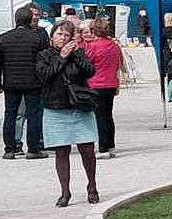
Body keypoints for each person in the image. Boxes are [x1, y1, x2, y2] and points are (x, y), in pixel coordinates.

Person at [37, 20, 99, 207]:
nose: (62, 38)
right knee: (61, 151)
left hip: (79, 107)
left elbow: (90, 71)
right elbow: (44, 75)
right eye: (59, 34)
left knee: (87, 149)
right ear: (52, 37)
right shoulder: (43, 56)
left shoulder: (78, 53)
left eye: (66, 35)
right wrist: (62, 57)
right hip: (56, 108)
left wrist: (76, 54)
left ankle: (92, 185)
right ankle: (65, 192)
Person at [0, 6, 48, 160]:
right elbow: (43, 62)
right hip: (33, 83)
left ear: (16, 20)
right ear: (30, 20)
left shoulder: (4, 38)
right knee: (33, 115)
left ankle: (10, 149)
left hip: (11, 83)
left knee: (10, 114)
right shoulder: (38, 38)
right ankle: (33, 149)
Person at [81, 18, 122, 158]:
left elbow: (86, 64)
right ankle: (111, 146)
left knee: (99, 117)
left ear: (93, 31)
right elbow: (119, 63)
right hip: (111, 83)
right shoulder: (115, 46)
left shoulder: (92, 46)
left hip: (96, 84)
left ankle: (103, 148)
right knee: (108, 116)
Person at [14, 3, 50, 155]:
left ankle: (39, 141)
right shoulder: (19, 33)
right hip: (22, 79)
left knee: (39, 113)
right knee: (20, 114)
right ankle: (16, 143)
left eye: (38, 14)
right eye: (33, 14)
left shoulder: (42, 33)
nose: (36, 17)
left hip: (39, 80)